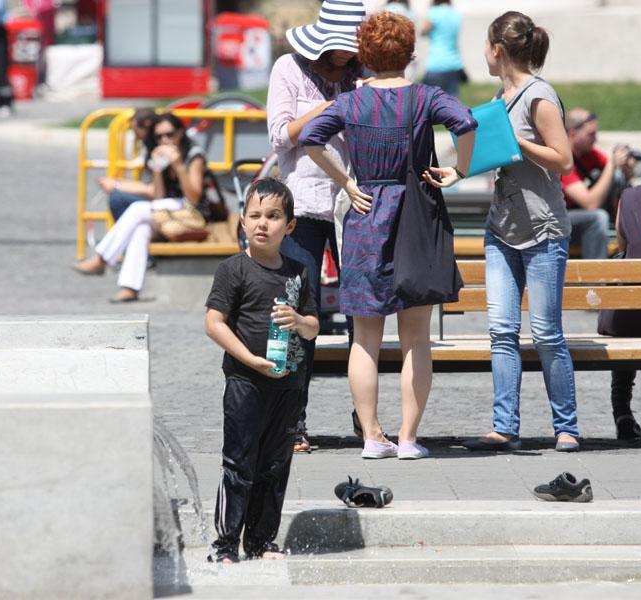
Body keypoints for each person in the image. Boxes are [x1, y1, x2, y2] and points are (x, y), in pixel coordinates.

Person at [301, 12, 476, 460]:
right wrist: (459, 170)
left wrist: (346, 181)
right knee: (417, 337)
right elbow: (466, 121)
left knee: (364, 336)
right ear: (410, 53)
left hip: (366, 214)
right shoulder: (425, 97)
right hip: (418, 213)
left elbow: (309, 138)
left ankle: (372, 437)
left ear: (365, 54)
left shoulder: (350, 103)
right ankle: (409, 438)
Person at [461, 11, 580, 453]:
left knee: (547, 334)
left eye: (485, 47)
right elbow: (500, 155)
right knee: (501, 332)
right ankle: (504, 426)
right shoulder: (502, 94)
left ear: (498, 49)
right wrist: (455, 170)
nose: (484, 55)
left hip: (544, 229)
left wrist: (515, 141)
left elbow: (564, 160)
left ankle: (566, 427)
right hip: (503, 229)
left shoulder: (538, 95)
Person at [268, 0, 366, 453]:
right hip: (302, 202)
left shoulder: (363, 73)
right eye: (339, 51)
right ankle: (290, 422)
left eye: (351, 51)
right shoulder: (289, 68)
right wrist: (333, 107)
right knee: (295, 311)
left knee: (362, 314)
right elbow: (280, 135)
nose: (344, 58)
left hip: (354, 204)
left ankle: (365, 416)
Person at [204, 178, 319, 563]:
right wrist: (248, 359)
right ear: (242, 222)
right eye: (254, 215)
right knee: (239, 461)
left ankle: (261, 541)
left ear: (289, 226)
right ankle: (225, 544)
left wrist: (299, 319)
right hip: (245, 380)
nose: (262, 224)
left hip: (287, 381)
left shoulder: (299, 271)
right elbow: (214, 323)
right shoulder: (233, 269)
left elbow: (314, 326)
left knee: (275, 463)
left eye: (273, 217)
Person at [72, 113, 208, 302]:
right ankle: (130, 287)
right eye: (159, 136)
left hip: (194, 215)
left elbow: (194, 197)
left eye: (170, 134)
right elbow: (159, 196)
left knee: (137, 209)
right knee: (141, 228)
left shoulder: (194, 155)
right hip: (168, 213)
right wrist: (158, 168)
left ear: (180, 133)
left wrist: (178, 165)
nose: (165, 140)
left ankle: (101, 260)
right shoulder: (158, 153)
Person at [597, 129, 641, 440]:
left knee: (633, 307)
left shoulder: (628, 198)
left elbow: (624, 247)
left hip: (630, 317)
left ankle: (622, 413)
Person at [561, 108, 637, 259]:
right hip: (558, 221)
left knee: (616, 179)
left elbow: (617, 176)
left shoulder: (589, 154)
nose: (595, 139)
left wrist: (627, 170)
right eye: (590, 134)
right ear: (572, 133)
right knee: (597, 217)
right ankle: (596, 279)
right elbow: (591, 204)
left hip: (578, 217)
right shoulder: (562, 161)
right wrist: (612, 164)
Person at [96, 107, 158, 221]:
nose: (137, 137)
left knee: (117, 199)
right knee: (118, 197)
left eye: (136, 132)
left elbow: (153, 190)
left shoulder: (159, 151)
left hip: (165, 202)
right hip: (160, 199)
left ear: (147, 125)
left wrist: (116, 185)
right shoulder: (151, 148)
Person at [420, 0, 465, 98]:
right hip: (454, 63)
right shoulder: (455, 14)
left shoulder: (434, 13)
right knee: (452, 102)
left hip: (436, 63)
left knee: (430, 101)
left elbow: (422, 31)